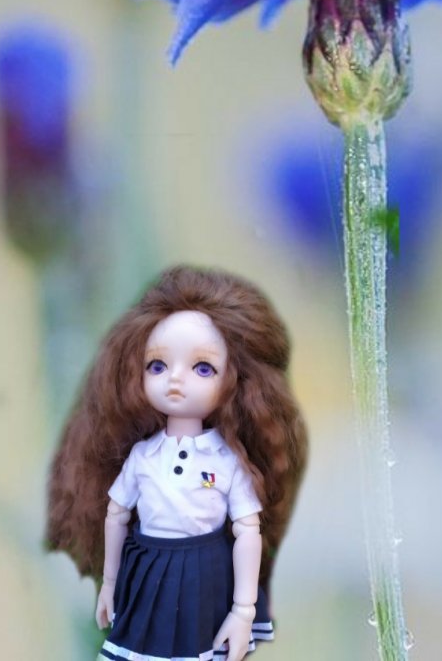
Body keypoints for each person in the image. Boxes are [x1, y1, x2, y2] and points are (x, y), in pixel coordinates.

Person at [47, 265, 307, 661]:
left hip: (206, 578)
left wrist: (243, 612)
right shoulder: (143, 456)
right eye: (158, 365)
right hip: (148, 575)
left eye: (202, 368)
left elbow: (247, 531)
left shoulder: (226, 460)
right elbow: (116, 515)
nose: (175, 380)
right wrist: (109, 584)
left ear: (235, 381)